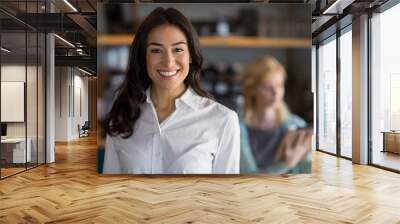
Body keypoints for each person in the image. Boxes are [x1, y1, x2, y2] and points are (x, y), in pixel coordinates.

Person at [103, 7, 240, 174]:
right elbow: (111, 194)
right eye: (156, 50)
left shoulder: (223, 120)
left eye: (178, 49)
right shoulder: (121, 116)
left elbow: (225, 197)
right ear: (143, 57)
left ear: (190, 55)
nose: (168, 62)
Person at [240, 56, 312, 174]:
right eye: (267, 87)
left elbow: (307, 172)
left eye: (279, 85)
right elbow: (249, 176)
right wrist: (286, 164)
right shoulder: (238, 127)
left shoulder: (297, 124)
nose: (276, 92)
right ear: (252, 89)